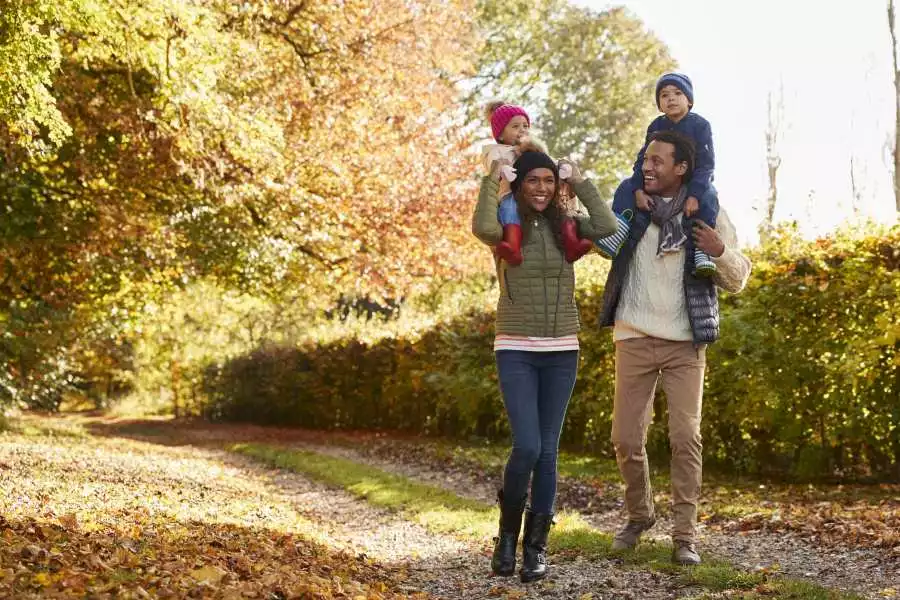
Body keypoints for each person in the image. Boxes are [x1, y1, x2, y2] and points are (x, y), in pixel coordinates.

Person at [599, 130, 751, 566]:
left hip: (685, 342)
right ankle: (639, 515)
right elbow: (595, 234)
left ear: (682, 167)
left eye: (658, 161)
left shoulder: (707, 212)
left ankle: (684, 536)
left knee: (686, 438)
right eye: (646, 159)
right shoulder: (631, 207)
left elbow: (738, 277)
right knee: (625, 438)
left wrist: (720, 251)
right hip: (634, 335)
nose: (648, 167)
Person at [472, 144, 617, 582]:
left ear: (557, 186)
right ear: (521, 183)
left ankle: (536, 549)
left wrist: (581, 184)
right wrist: (493, 179)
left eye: (549, 181)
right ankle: (505, 538)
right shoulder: (505, 220)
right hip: (515, 345)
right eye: (533, 180)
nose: (541, 187)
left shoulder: (567, 224)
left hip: (561, 349)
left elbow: (610, 227)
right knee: (528, 446)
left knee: (549, 453)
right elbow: (480, 227)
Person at [597, 73, 719, 277]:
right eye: (664, 95)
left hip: (693, 180)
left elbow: (706, 164)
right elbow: (643, 159)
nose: (671, 98)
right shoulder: (656, 126)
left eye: (677, 93)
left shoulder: (700, 125)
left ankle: (701, 250)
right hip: (660, 178)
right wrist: (637, 189)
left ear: (689, 100)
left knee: (710, 196)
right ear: (659, 104)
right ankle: (619, 229)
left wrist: (694, 195)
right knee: (626, 186)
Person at [482, 101, 595, 265]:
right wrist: (504, 169)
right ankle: (512, 246)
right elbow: (494, 163)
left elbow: (549, 162)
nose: (522, 130)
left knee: (560, 210)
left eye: (525, 126)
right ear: (500, 134)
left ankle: (571, 243)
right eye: (515, 126)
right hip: (511, 194)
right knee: (510, 208)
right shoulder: (495, 151)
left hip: (538, 198)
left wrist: (561, 168)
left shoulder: (533, 148)